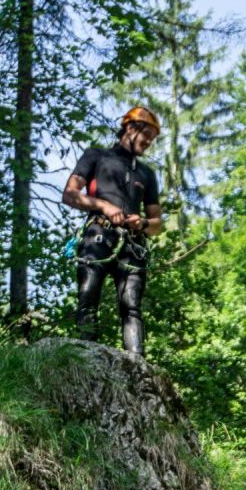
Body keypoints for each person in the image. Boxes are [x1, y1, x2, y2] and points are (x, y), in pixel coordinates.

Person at [62, 106, 164, 356]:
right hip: (98, 235)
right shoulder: (96, 156)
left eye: (152, 138)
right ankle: (87, 358)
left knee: (132, 307)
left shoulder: (147, 174)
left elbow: (157, 223)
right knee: (88, 298)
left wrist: (141, 223)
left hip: (132, 244)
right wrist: (104, 206)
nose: (149, 142)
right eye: (146, 135)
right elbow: (70, 194)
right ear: (130, 129)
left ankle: (137, 364)